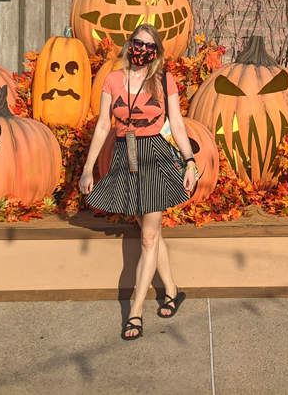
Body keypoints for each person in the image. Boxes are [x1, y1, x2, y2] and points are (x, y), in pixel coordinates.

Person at [80, 24, 199, 341]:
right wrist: (88, 168)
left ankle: (135, 311)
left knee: (148, 237)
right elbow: (104, 125)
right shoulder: (113, 79)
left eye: (149, 45)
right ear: (128, 45)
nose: (142, 49)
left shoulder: (163, 81)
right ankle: (172, 290)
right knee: (151, 232)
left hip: (156, 155)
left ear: (156, 52)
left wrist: (190, 161)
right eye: (137, 43)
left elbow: (177, 123)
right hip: (126, 154)